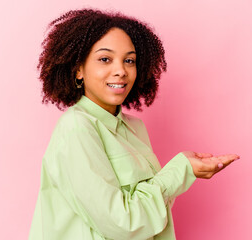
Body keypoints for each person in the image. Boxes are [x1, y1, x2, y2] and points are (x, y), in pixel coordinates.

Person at [29, 8, 240, 240]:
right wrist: (180, 170)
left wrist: (183, 169)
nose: (121, 71)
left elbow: (149, 213)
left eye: (129, 60)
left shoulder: (135, 128)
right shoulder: (76, 128)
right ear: (78, 69)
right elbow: (121, 223)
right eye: (105, 59)